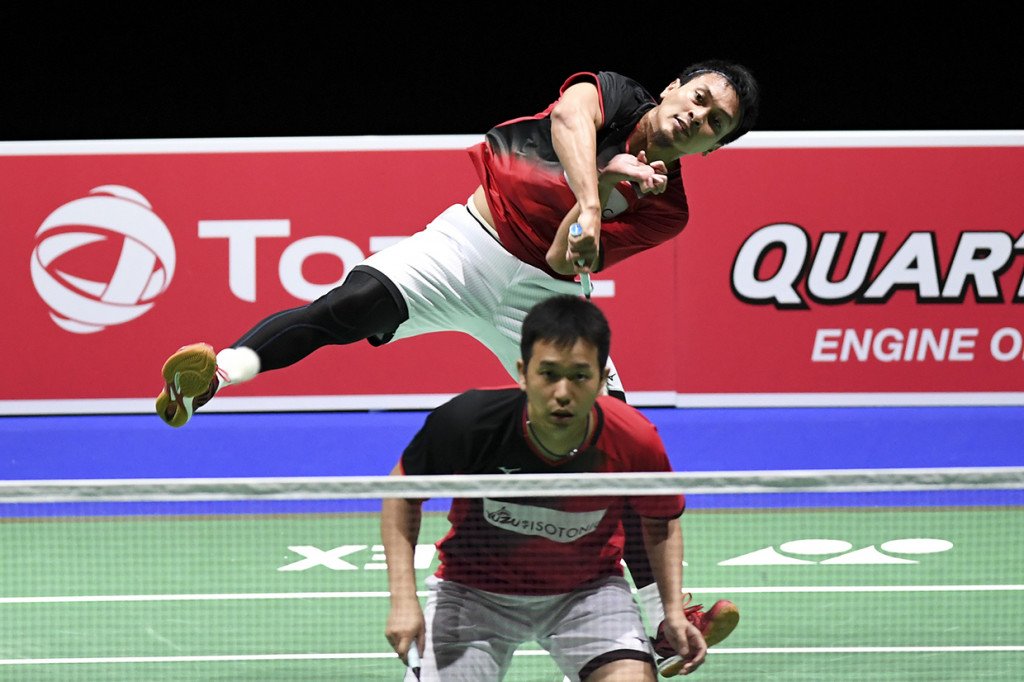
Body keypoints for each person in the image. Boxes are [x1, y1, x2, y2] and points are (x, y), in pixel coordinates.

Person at [155, 60, 757, 673]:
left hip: (540, 293)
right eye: (699, 98)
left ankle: (665, 615)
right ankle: (213, 376)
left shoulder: (667, 211)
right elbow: (569, 117)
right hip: (465, 244)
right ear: (674, 88)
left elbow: (562, 253)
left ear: (712, 148)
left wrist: (602, 200)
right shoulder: (617, 95)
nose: (697, 117)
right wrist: (597, 190)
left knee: (611, 439)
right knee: (351, 304)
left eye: (715, 123)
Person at [382, 295, 728, 681]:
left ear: (601, 380)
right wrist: (403, 600)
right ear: (523, 373)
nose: (563, 392)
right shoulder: (470, 423)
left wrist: (670, 611)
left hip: (588, 595)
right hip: (473, 594)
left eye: (580, 376)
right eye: (548, 374)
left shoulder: (633, 438)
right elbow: (402, 494)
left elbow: (659, 523)